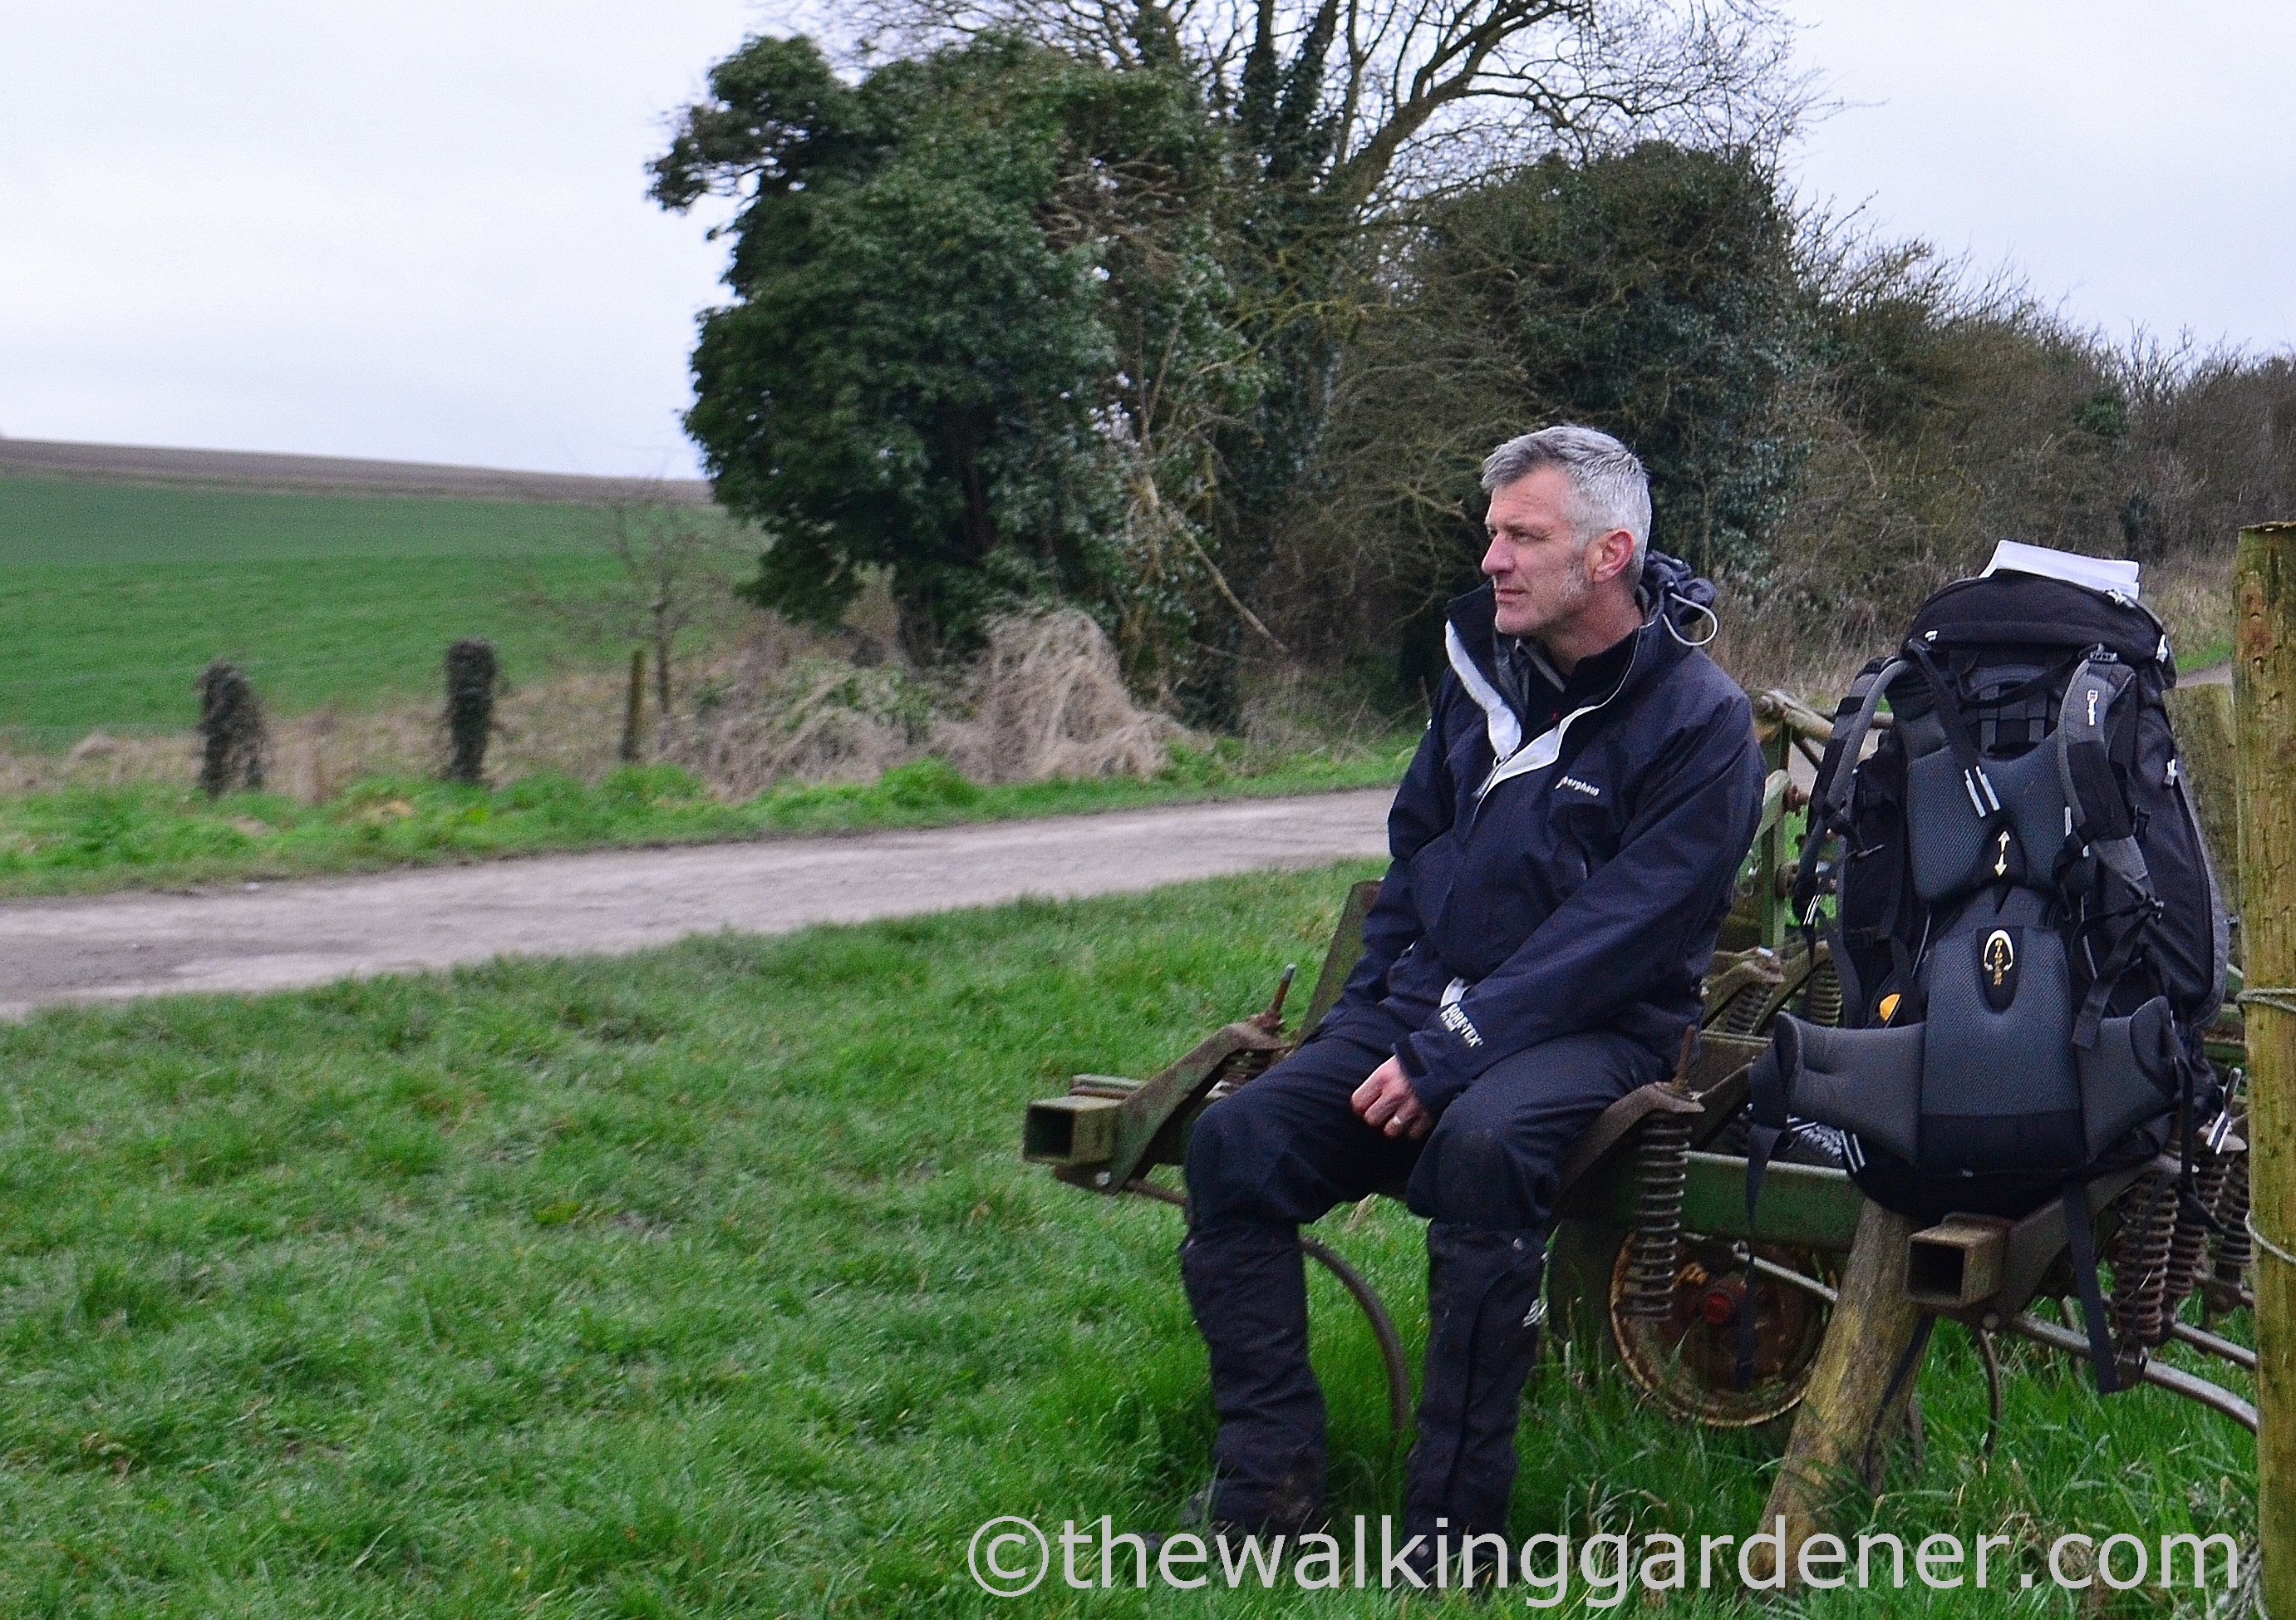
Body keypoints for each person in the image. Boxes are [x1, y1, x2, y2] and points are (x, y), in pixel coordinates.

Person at [1178, 425, 1766, 1568]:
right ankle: (1269, 1490)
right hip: (1425, 1010)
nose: (1492, 558)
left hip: (1601, 1032)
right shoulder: (1476, 676)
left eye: (1521, 535)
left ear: (1607, 555)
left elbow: (1620, 937)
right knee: (1236, 1146)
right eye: (1491, 532)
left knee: (1487, 1149)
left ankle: (1451, 1540)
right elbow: (1415, 858)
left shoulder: (1701, 724)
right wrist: (1374, 1017)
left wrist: (1455, 1044)